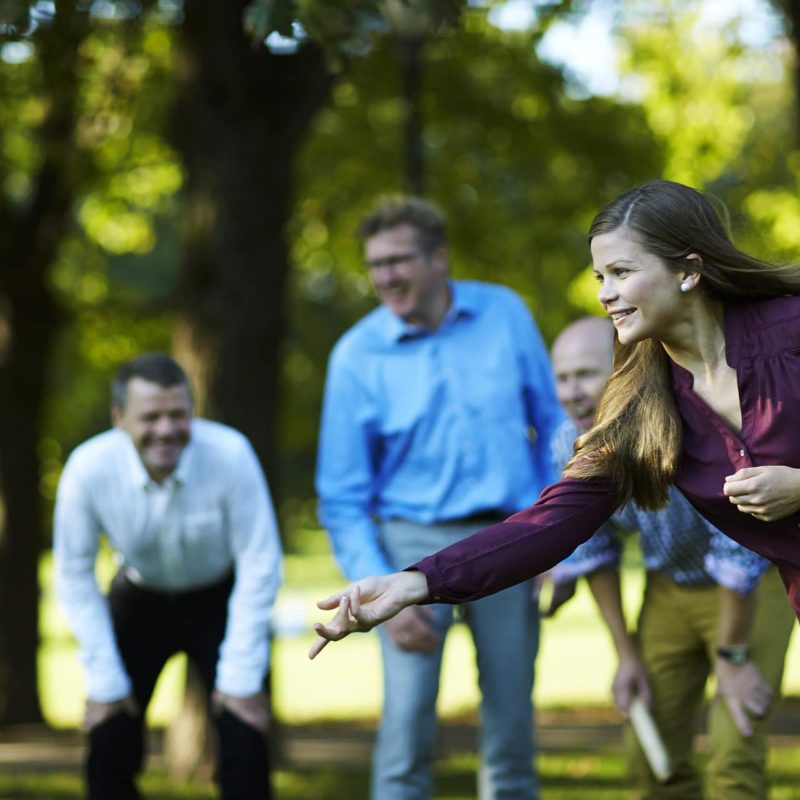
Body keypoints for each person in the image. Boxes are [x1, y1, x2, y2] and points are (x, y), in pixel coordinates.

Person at [310, 179, 800, 704]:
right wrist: (413, 584)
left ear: (689, 270)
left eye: (622, 272)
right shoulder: (641, 404)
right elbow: (551, 522)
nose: (604, 293)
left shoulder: (790, 331)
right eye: (600, 276)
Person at [315, 195, 565, 799]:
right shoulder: (356, 355)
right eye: (376, 264)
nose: (386, 276)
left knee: (511, 718)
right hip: (408, 541)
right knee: (406, 725)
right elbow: (342, 494)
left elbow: (554, 423)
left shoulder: (504, 313)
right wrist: (374, 580)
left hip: (511, 534)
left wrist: (555, 537)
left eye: (400, 260)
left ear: (439, 258)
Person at [547, 316, 795, 799]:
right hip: (667, 590)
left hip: (753, 586)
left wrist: (733, 656)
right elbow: (595, 552)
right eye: (562, 377)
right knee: (651, 755)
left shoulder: (689, 424)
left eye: (584, 374)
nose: (572, 392)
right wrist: (625, 655)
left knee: (733, 754)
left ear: (622, 372)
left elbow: (739, 550)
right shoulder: (570, 442)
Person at [54, 353, 282, 800]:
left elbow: (260, 561)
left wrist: (240, 677)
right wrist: (104, 679)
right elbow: (74, 572)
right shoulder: (88, 467)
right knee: (108, 734)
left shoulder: (231, 454)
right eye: (150, 417)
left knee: (246, 732)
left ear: (192, 412)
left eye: (177, 414)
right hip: (138, 597)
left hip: (221, 596)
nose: (166, 429)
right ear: (119, 418)